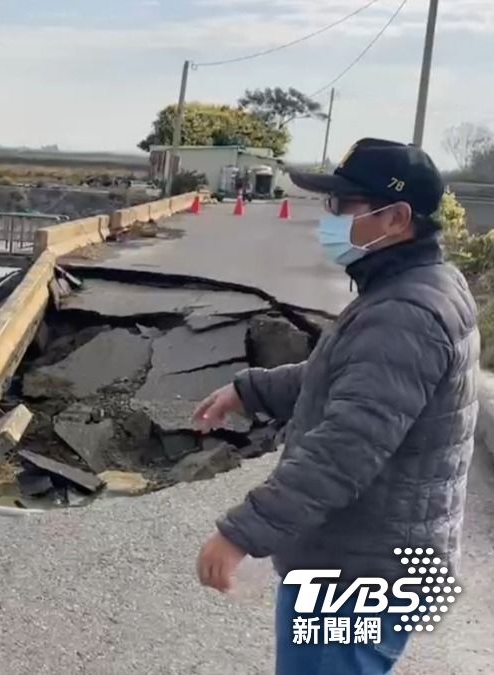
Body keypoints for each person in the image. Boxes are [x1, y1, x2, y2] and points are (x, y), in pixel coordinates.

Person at [191, 139, 476, 675]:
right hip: (358, 559)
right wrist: (250, 390)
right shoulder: (411, 285)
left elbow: (346, 447)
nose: (330, 219)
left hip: (363, 573)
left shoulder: (406, 313)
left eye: (343, 207)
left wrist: (241, 533)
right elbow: (344, 378)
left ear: (394, 218)